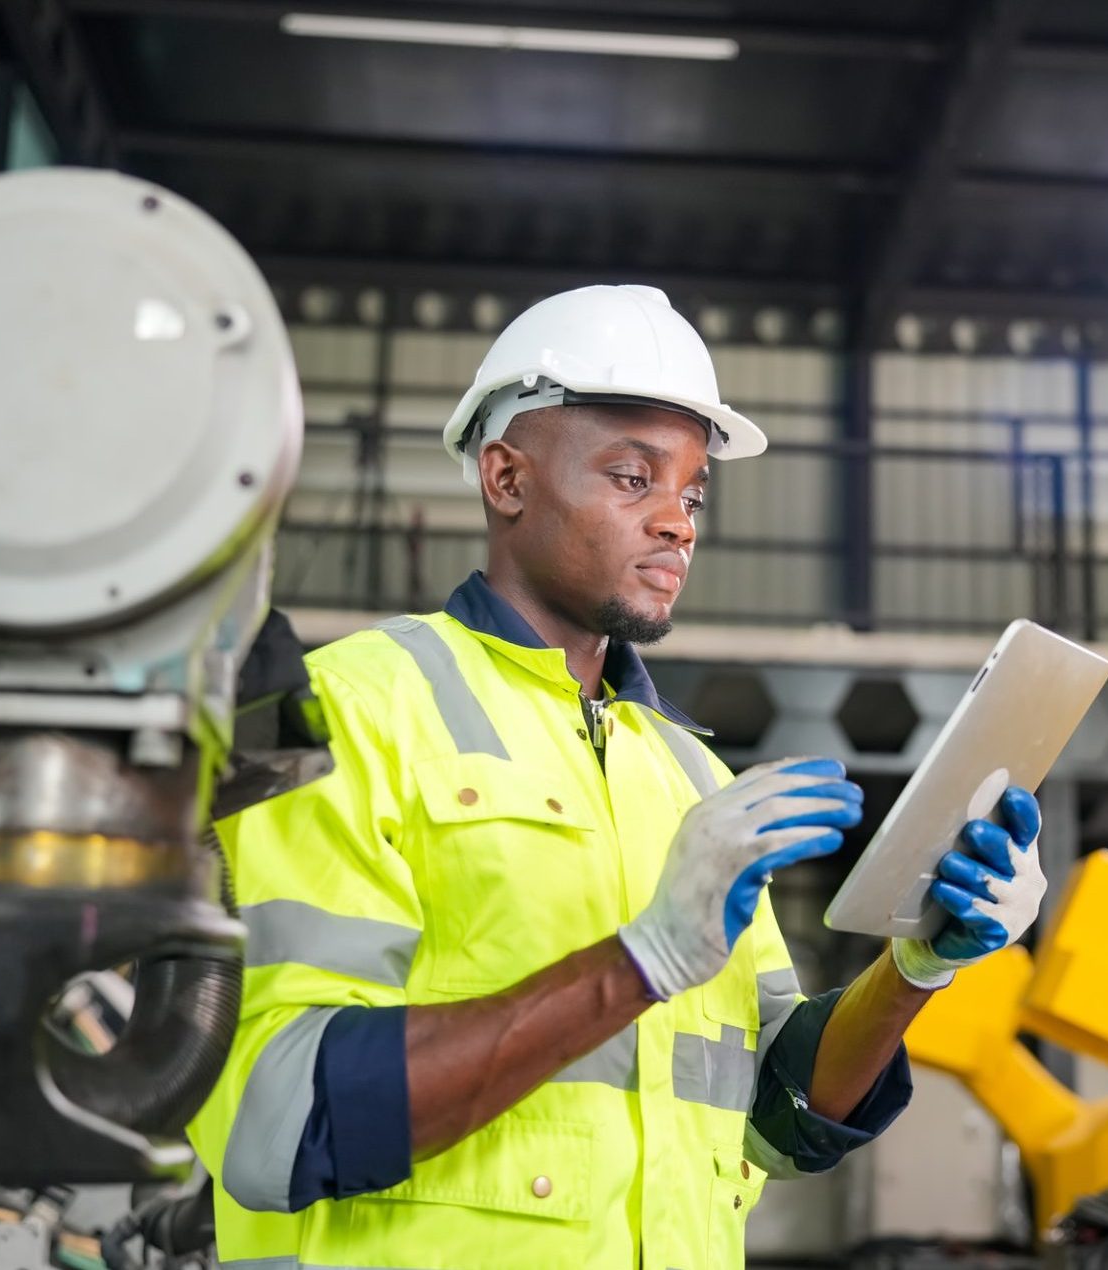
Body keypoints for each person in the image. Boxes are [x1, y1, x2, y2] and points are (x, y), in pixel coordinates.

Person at [190, 284, 1048, 1270]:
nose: (678, 524)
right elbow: (279, 1113)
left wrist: (916, 966)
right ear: (506, 477)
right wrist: (641, 959)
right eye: (632, 477)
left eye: (690, 493)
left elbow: (776, 1121)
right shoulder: (352, 713)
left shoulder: (689, 774)